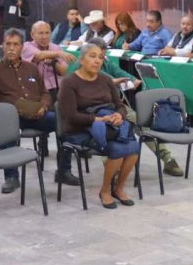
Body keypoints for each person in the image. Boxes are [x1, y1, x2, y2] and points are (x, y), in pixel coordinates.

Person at [0, 29, 80, 191]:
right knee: (6, 129)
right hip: (12, 117)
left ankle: (64, 171)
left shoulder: (31, 68)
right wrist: (9, 110)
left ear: (22, 47)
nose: (11, 48)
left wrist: (43, 106)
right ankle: (11, 177)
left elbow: (44, 93)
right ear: (2, 46)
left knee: (63, 122)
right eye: (8, 44)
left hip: (37, 114)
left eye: (15, 44)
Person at [59, 42, 140, 209]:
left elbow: (120, 105)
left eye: (100, 57)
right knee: (117, 149)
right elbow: (70, 116)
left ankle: (118, 188)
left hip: (107, 124)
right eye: (92, 56)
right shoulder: (69, 82)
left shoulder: (106, 80)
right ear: (81, 60)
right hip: (80, 130)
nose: (97, 61)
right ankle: (104, 191)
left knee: (133, 146)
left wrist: (119, 115)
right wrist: (98, 120)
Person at [22, 21, 73, 104]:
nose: (44, 36)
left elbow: (63, 71)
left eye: (47, 33)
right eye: (40, 33)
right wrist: (57, 54)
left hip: (55, 88)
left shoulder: (56, 47)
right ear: (32, 35)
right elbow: (39, 55)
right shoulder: (27, 46)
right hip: (34, 88)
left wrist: (54, 62)